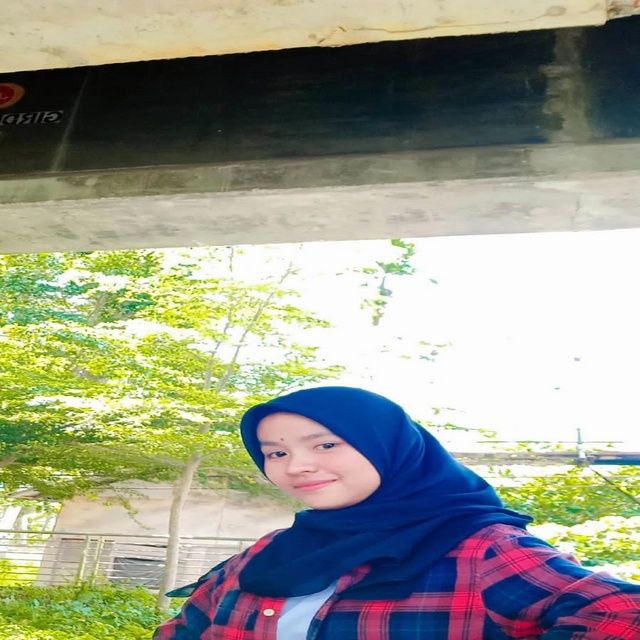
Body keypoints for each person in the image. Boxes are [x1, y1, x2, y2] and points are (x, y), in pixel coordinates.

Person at [153, 386, 640, 639]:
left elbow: (622, 614)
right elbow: (185, 630)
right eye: (276, 453)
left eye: (325, 444)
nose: (296, 466)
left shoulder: (479, 547)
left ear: (389, 448)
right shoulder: (273, 549)